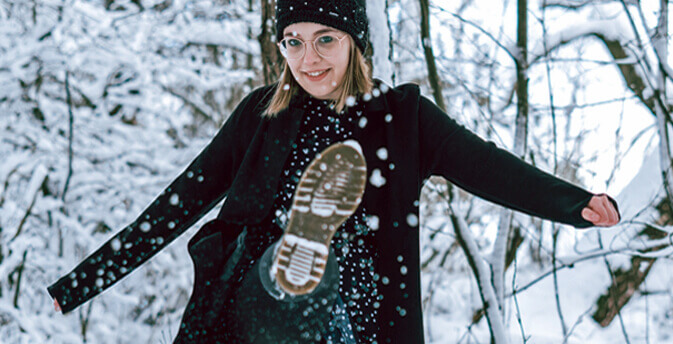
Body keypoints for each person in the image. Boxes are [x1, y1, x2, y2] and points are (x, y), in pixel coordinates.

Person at [48, 0, 621, 343]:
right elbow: (181, 202)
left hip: (360, 318)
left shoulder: (403, 119)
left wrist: (574, 204)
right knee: (282, 279)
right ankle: (297, 256)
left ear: (356, 42)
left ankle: (311, 253)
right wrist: (82, 283)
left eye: (325, 39)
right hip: (255, 312)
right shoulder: (261, 114)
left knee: (339, 296)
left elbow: (490, 169)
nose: (308, 59)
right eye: (293, 42)